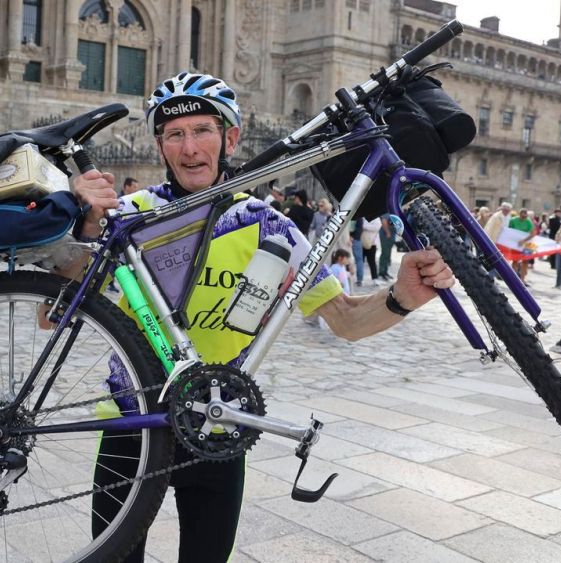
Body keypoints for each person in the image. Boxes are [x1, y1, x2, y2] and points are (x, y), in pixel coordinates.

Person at [71, 71, 456, 563]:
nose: (190, 148)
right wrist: (82, 225)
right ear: (160, 146)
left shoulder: (270, 226)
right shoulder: (129, 217)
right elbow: (49, 313)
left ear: (230, 137)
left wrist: (400, 297)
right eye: (175, 134)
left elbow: (344, 319)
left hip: (220, 427)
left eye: (203, 130)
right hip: (133, 425)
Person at [508, 208, 535, 285]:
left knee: (525, 261)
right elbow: (509, 231)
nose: (524, 218)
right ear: (519, 215)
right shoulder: (513, 220)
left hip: (527, 243)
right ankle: (513, 278)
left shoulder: (529, 222)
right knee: (515, 260)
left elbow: (532, 233)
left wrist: (524, 240)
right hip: (516, 244)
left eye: (525, 216)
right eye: (522, 216)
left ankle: (522, 279)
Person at [360, 215, 382, 285]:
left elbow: (377, 227)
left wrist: (364, 226)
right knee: (360, 261)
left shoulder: (376, 218)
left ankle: (374, 278)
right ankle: (360, 279)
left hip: (372, 242)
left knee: (372, 261)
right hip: (362, 241)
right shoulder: (363, 217)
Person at [377, 213, 395, 281]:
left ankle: (385, 271)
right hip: (386, 233)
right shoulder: (386, 210)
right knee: (385, 253)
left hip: (391, 233)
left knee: (388, 254)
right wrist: (387, 232)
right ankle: (381, 272)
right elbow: (384, 221)